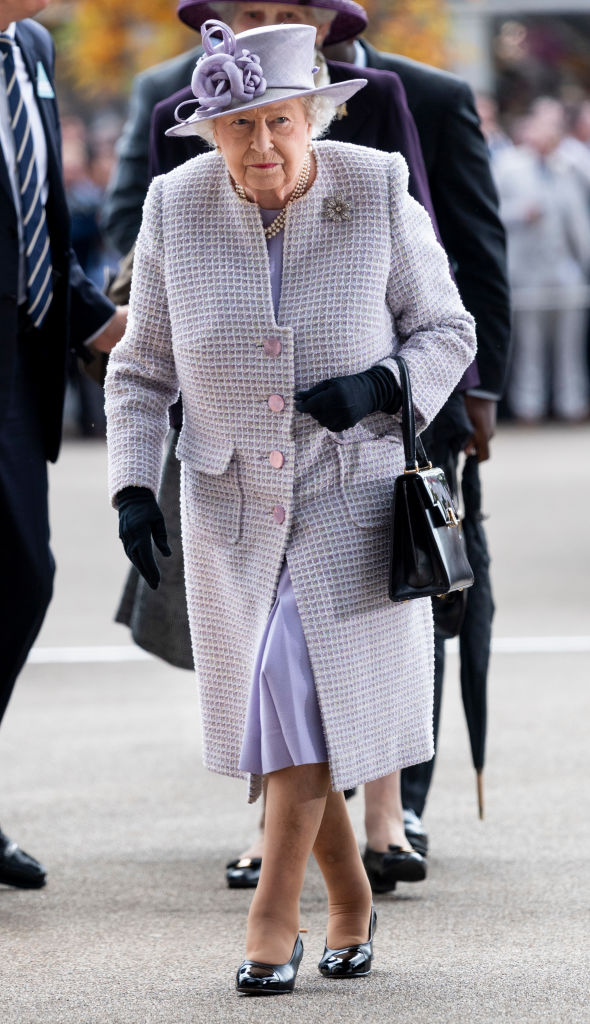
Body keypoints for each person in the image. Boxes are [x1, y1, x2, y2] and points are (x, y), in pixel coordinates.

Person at [105, 18, 476, 993]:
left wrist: (381, 386)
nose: (260, 144)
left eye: (279, 121)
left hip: (349, 502)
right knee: (286, 701)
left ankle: (272, 916)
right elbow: (141, 369)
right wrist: (134, 487)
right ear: (209, 130)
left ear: (314, 116)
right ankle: (349, 895)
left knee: (290, 682)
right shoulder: (176, 203)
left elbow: (447, 329)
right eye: (238, 126)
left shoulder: (374, 185)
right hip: (231, 508)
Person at [0, 0, 126, 889]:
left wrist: (112, 325)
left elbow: (39, 222)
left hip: (22, 358)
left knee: (21, 579)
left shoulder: (32, 47)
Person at [493, 99, 590, 422]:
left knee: (569, 345)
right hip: (525, 271)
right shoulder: (508, 165)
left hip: (566, 271)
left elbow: (578, 219)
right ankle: (528, 406)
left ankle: (572, 403)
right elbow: (492, 213)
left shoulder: (569, 165)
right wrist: (522, 213)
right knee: (529, 345)